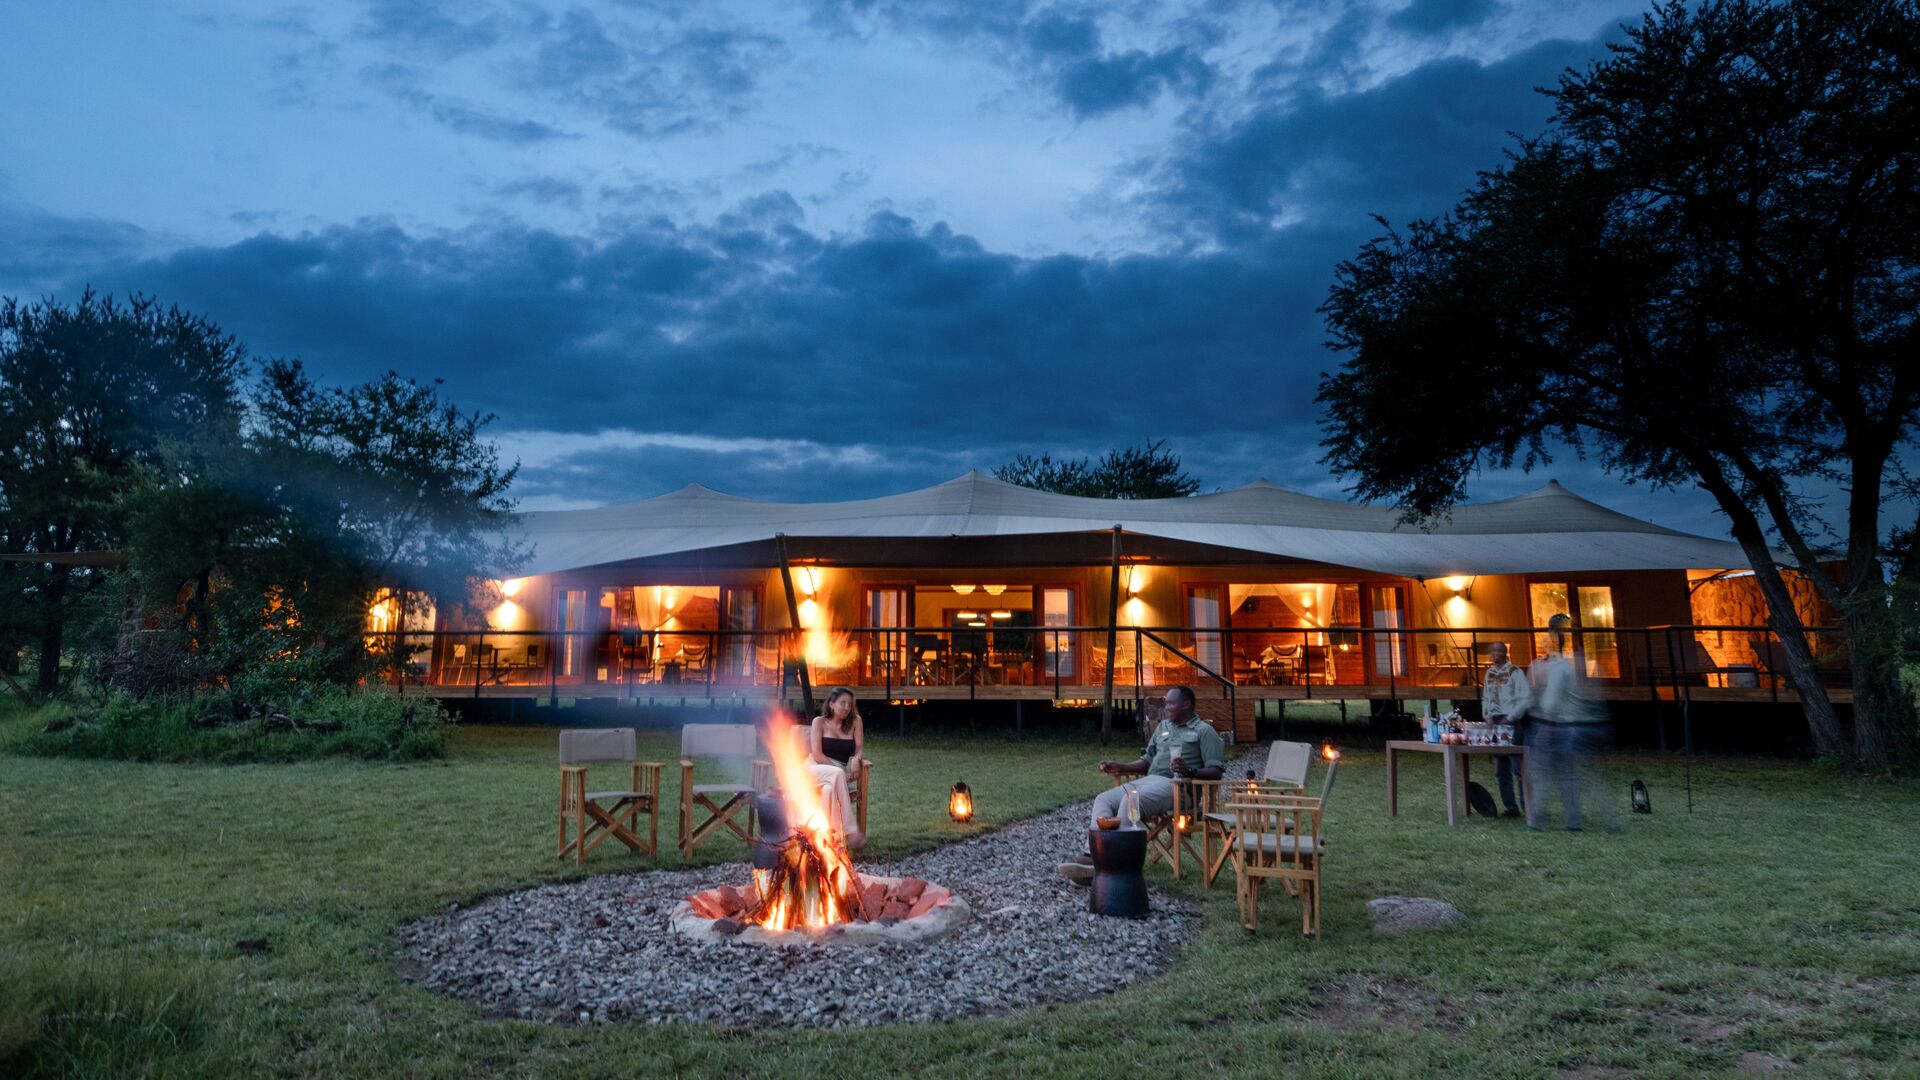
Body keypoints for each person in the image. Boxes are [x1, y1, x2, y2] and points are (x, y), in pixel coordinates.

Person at [1058, 685, 1225, 882]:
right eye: (1166, 702)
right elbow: (1146, 761)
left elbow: (1216, 771)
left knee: (1130, 802)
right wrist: (1121, 766)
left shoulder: (1204, 731)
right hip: (1149, 781)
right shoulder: (1163, 727)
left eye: (1171, 703)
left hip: (1178, 786)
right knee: (1103, 800)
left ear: (1186, 704)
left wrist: (1190, 771)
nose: (1166, 706)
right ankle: (1093, 856)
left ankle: (1113, 864)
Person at [1526, 614, 1614, 832]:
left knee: (1543, 773)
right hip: (1585, 722)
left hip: (1558, 725)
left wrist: (1537, 709)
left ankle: (1539, 820)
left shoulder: (1558, 666)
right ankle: (1577, 821)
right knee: (1572, 775)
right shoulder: (1577, 662)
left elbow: (1550, 701)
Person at [807, 686, 866, 850]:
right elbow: (817, 755)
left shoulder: (856, 721)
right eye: (843, 703)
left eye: (850, 704)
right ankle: (850, 830)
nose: (847, 707)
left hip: (836, 774)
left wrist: (856, 758)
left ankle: (832, 841)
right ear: (832, 704)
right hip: (815, 768)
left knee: (828, 791)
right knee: (837, 775)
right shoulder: (819, 722)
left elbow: (859, 748)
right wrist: (840, 773)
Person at [1480, 640, 1533, 818]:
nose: (1495, 654)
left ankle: (1527, 807)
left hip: (1510, 722)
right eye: (1492, 651)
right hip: (1494, 723)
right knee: (1501, 769)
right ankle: (1510, 807)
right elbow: (1486, 696)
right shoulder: (1489, 673)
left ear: (1505, 653)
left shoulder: (1515, 672)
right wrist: (1486, 714)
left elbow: (1526, 698)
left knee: (1518, 767)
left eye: (1499, 650)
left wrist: (1510, 717)